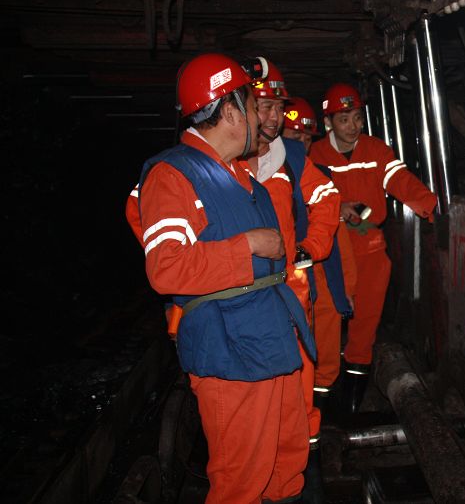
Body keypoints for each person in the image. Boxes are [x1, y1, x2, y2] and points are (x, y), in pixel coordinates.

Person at [128, 52, 314, 503]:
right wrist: (245, 245)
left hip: (273, 340)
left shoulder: (243, 176)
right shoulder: (173, 174)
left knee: (286, 465)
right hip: (233, 353)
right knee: (241, 483)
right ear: (229, 111)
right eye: (252, 106)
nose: (262, 119)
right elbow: (167, 267)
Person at [236, 63, 340, 504]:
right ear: (240, 107)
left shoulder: (291, 157)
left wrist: (310, 248)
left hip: (289, 294)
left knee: (297, 393)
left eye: (279, 107)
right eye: (264, 106)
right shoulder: (219, 157)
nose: (274, 117)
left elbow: (327, 198)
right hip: (238, 300)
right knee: (248, 405)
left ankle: (293, 486)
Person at [310, 83, 437, 412]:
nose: (353, 126)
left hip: (369, 244)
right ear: (328, 123)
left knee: (365, 322)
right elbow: (303, 197)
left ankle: (352, 401)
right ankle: (320, 398)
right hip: (331, 249)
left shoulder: (376, 150)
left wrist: (429, 205)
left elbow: (399, 180)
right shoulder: (315, 155)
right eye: (344, 119)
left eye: (357, 118)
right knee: (325, 320)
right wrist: (336, 208)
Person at [282, 97, 358, 404]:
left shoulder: (322, 175)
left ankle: (322, 408)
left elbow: (340, 241)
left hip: (323, 273)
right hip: (291, 276)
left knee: (325, 348)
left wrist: (347, 288)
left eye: (306, 139)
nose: (302, 144)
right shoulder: (267, 174)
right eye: (295, 136)